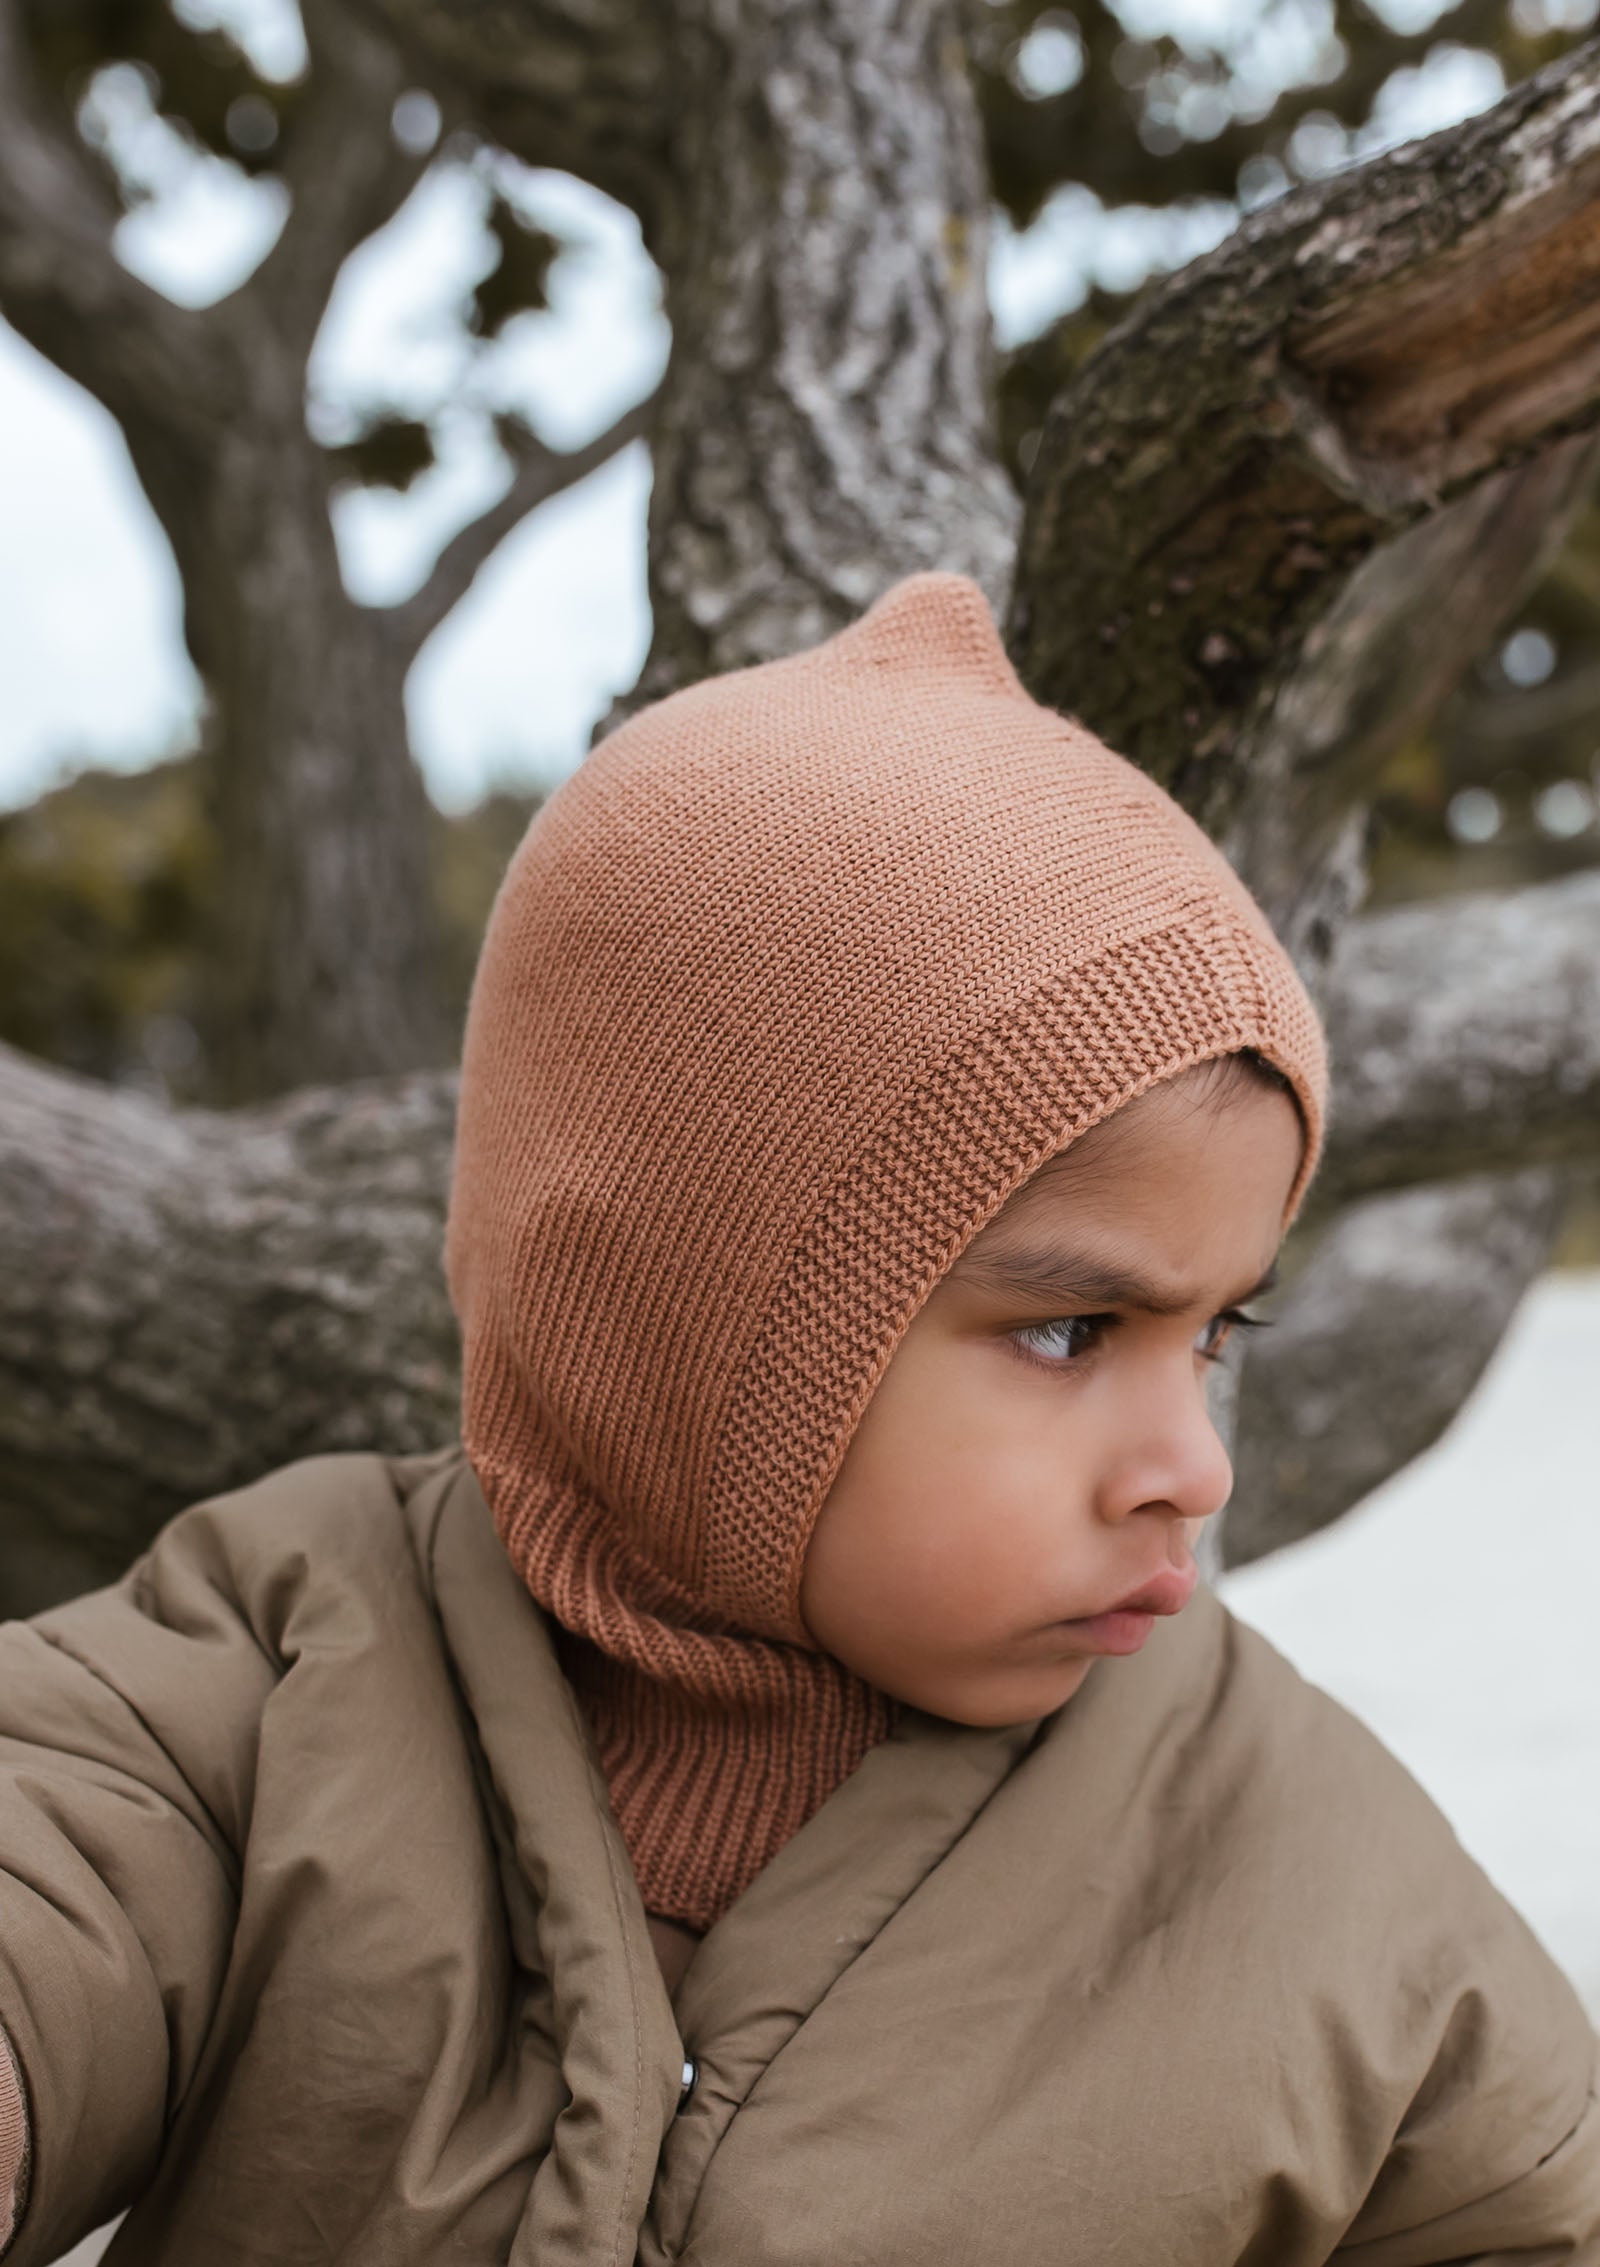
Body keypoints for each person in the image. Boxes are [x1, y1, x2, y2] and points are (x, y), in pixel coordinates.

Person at [0, 574, 1595, 2265]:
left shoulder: (1314, 1873)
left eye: (1216, 1332)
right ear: (684, 1315)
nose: (1192, 1466)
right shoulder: (260, 1679)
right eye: (1070, 1330)